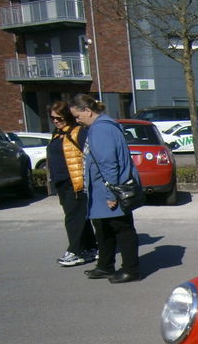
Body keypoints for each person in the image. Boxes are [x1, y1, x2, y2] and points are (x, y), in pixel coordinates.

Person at [69, 94, 141, 284]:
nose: (77, 120)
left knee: (122, 229)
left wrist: (111, 194)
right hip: (102, 191)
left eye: (77, 116)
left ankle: (130, 269)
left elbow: (108, 164)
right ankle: (105, 265)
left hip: (107, 190)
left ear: (87, 110)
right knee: (103, 229)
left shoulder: (101, 129)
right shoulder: (105, 126)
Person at [46, 101, 96, 267]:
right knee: (79, 217)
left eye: (59, 118)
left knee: (73, 219)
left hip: (75, 183)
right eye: (53, 118)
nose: (56, 121)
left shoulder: (79, 132)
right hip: (62, 183)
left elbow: (89, 155)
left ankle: (74, 251)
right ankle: (90, 248)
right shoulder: (57, 133)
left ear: (67, 116)